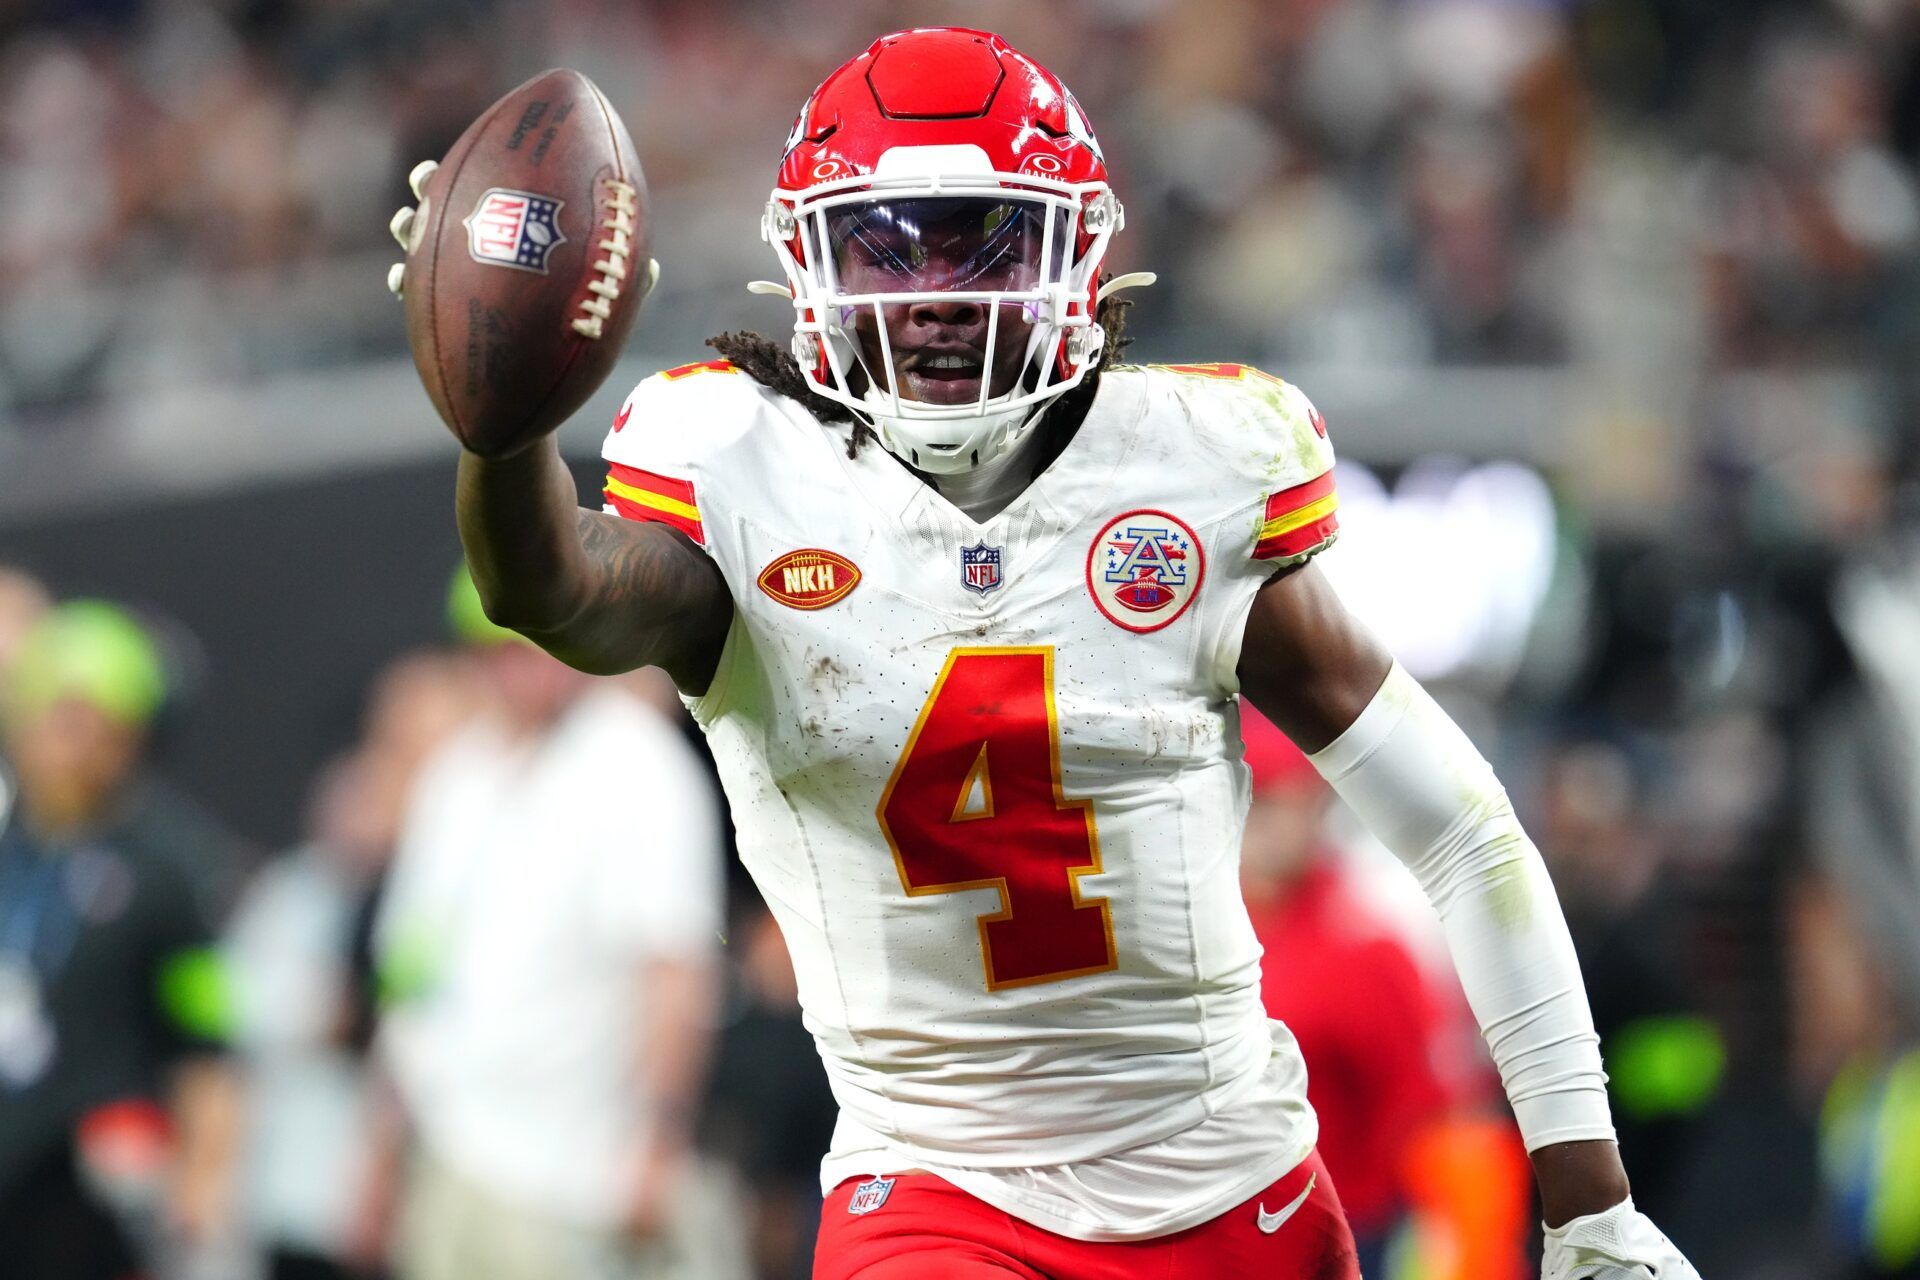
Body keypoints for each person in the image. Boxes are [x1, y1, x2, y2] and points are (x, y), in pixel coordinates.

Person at [395, 27, 1699, 1278]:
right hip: (932, 1190)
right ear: (808, 262)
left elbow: (1460, 829)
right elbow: (546, 590)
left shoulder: (1190, 473)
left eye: (988, 239)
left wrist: (1592, 1201)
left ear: (1079, 252)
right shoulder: (740, 471)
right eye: (888, 249)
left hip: (1230, 1190)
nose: (941, 293)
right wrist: (500, 425)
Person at [369, 570, 740, 1280]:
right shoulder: (456, 775)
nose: (521, 665)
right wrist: (379, 1153)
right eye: (498, 648)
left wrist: (658, 1148)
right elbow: (407, 975)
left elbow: (675, 971)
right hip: (448, 1153)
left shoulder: (637, 762)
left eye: (537, 641)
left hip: (577, 1171)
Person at [0, 601, 242, 1280]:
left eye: (108, 730)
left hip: (94, 1189)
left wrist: (203, 1181)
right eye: (64, 720)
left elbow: (210, 1044)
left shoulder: (172, 866)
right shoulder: (7, 837)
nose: (79, 748)